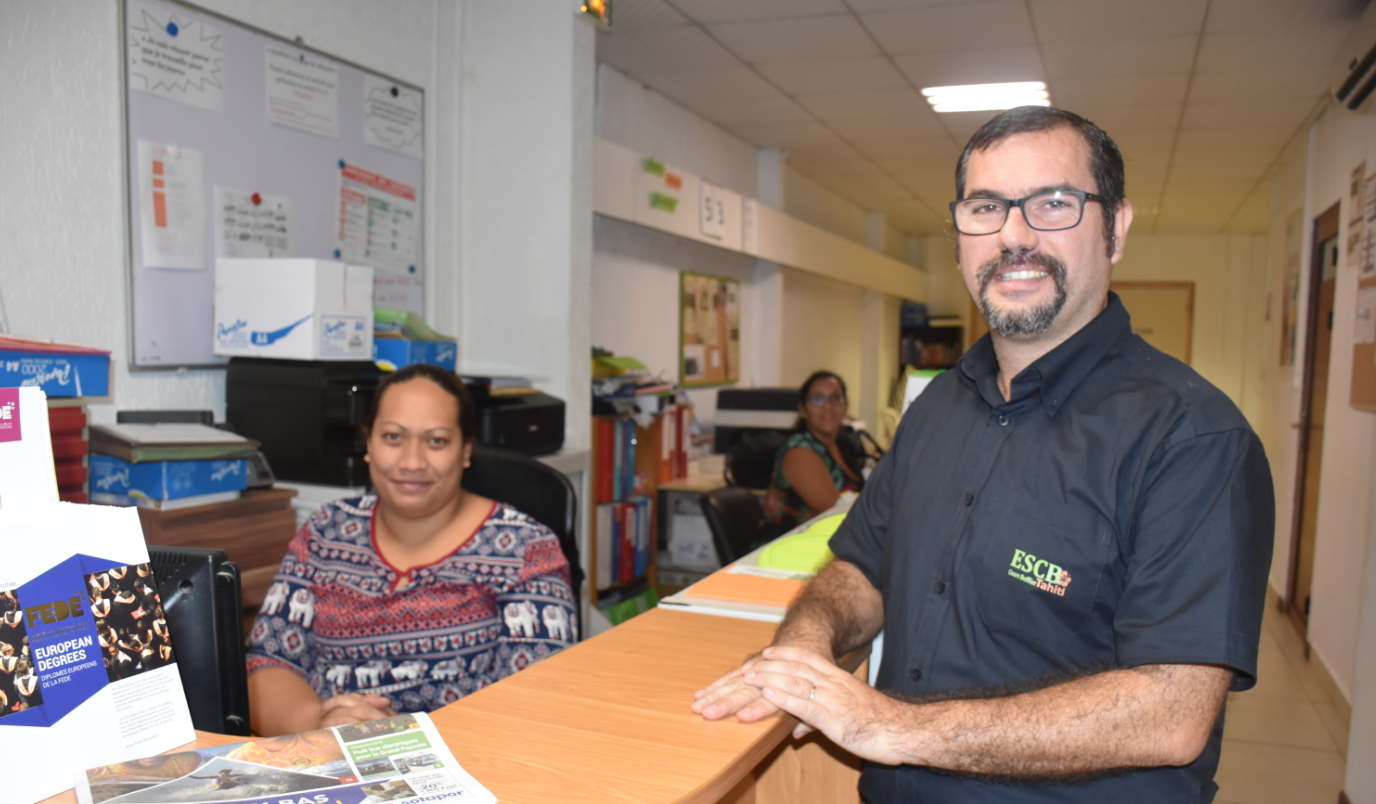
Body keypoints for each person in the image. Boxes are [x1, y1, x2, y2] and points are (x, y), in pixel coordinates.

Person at [692, 106, 1274, 802]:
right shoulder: (939, 407)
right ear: (960, 232)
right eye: (986, 207)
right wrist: (804, 650)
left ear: (1115, 227)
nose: (1014, 236)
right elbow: (861, 569)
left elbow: (1171, 713)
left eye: (1053, 204)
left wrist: (893, 727)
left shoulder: (1193, 439)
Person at [246, 364, 577, 736]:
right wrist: (321, 725)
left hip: (467, 767)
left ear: (466, 449)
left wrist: (401, 737)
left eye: (436, 440)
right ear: (368, 443)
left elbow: (536, 700)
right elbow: (267, 664)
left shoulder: (525, 549)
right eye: (393, 437)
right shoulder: (325, 533)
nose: (412, 462)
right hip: (328, 757)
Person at [761, 371, 865, 538]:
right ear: (803, 410)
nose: (828, 406)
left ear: (845, 407)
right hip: (791, 550)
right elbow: (835, 513)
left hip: (829, 543)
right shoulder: (799, 452)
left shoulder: (841, 444)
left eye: (836, 398)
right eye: (818, 399)